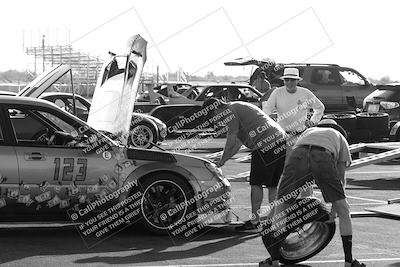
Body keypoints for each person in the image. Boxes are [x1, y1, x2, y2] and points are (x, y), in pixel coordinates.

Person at [259, 119, 366, 267]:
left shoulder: (307, 132)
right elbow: (341, 177)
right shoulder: (340, 138)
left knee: (281, 208)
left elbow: (292, 164)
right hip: (322, 155)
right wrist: (336, 207)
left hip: (297, 154)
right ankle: (349, 262)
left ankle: (274, 261)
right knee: (344, 209)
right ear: (339, 130)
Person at [201, 98, 287, 231]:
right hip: (279, 140)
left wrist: (221, 161)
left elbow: (230, 141)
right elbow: (236, 145)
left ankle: (255, 222)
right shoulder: (237, 108)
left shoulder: (229, 112)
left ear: (217, 109)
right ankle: (273, 219)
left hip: (265, 144)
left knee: (256, 183)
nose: (215, 120)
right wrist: (222, 161)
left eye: (213, 116)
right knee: (272, 184)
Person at [262, 67, 325, 138]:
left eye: (292, 80)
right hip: (282, 135)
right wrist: (269, 124)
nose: (289, 83)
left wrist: (313, 121)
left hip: (301, 134)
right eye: (287, 80)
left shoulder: (305, 93)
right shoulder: (277, 92)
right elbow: (266, 110)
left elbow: (320, 107)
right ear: (283, 81)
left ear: (297, 81)